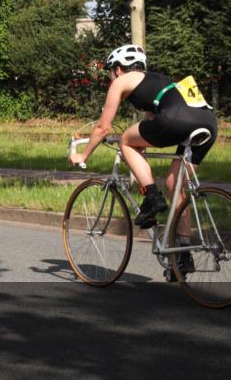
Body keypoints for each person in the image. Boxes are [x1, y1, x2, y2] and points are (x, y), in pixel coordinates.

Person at [68, 44, 218, 241]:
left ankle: (152, 197)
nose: (110, 78)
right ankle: (182, 254)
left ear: (118, 69)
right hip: (208, 122)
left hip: (176, 119)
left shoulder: (121, 81)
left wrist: (83, 155)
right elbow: (149, 124)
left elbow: (102, 127)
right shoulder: (159, 82)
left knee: (126, 142)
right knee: (174, 184)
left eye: (110, 72)